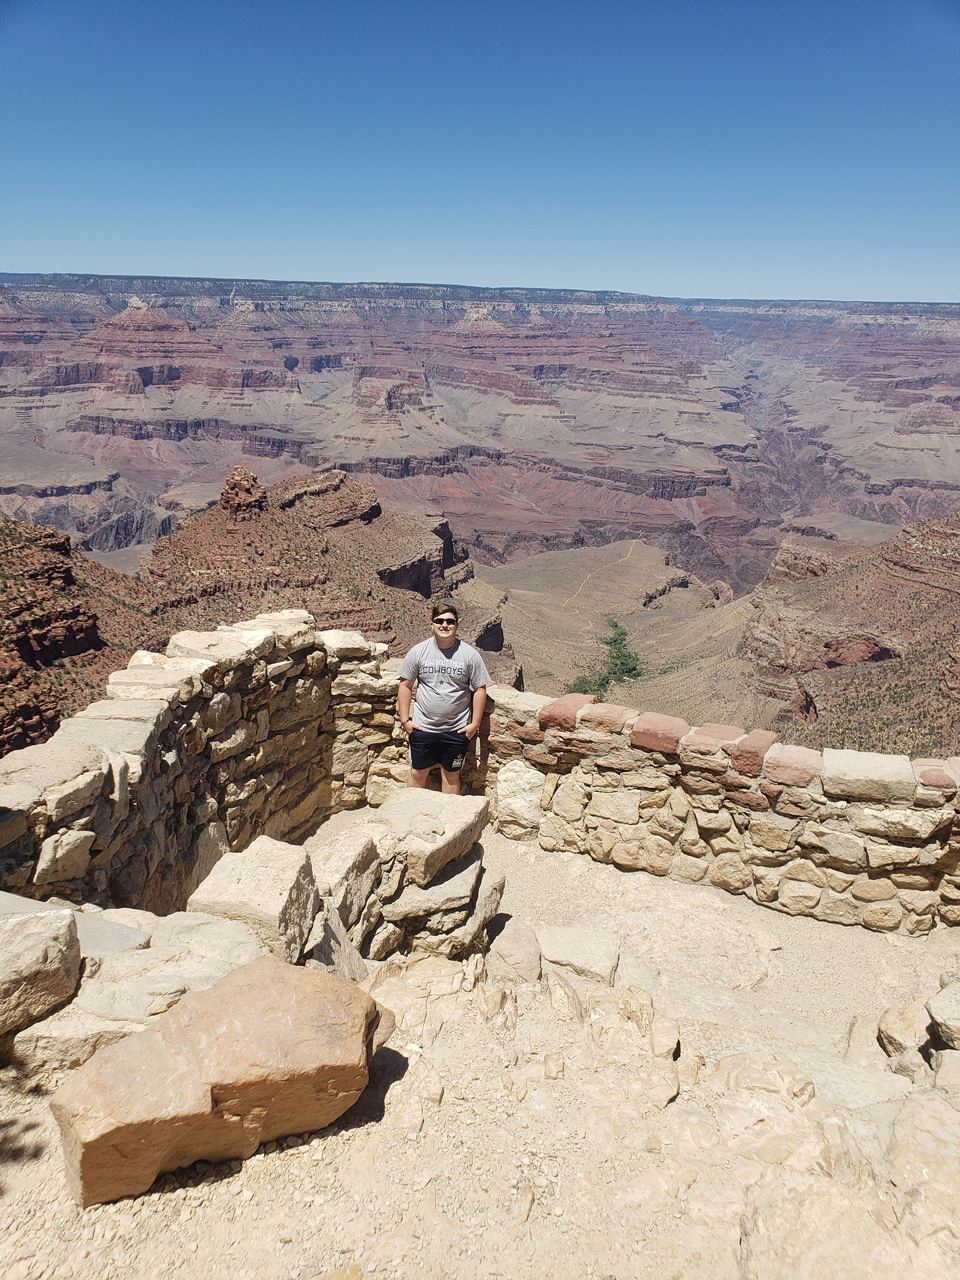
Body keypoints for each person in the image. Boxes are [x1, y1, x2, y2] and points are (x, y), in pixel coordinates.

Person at [397, 601, 490, 794]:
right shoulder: (418, 651)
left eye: (450, 621)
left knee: (451, 774)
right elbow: (405, 685)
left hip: (456, 730)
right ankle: (410, 816)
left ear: (457, 625)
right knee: (417, 772)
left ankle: (448, 822)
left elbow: (480, 689)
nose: (444, 625)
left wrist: (474, 725)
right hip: (423, 727)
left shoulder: (469, 655)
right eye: (439, 621)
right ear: (432, 624)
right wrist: (405, 720)